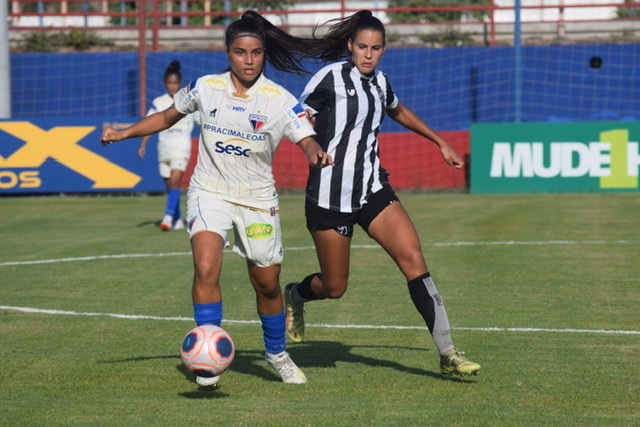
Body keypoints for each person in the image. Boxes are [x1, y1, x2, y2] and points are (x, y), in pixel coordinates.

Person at [101, 11, 333, 386]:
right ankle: (208, 356)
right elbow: (165, 117)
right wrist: (123, 132)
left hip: (257, 198)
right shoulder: (205, 87)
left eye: (256, 52)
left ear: (264, 55)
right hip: (209, 191)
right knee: (206, 266)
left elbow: (305, 137)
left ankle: (276, 353)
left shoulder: (278, 99)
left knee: (267, 284)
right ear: (229, 53)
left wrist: (313, 152)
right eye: (241, 52)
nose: (249, 60)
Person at [284, 10, 481, 377]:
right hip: (330, 196)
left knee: (414, 260)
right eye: (362, 47)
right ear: (349, 45)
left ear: (384, 49)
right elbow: (296, 116)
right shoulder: (330, 78)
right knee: (334, 286)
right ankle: (296, 294)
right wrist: (310, 143)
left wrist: (439, 141)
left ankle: (448, 352)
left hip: (373, 190)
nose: (368, 54)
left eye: (375, 48)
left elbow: (398, 109)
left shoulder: (380, 83)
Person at [137, 60, 196, 231]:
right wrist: (143, 144)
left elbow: (201, 121)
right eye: (170, 83)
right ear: (165, 84)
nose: (172, 86)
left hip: (181, 149)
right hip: (164, 150)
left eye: (175, 83)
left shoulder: (188, 100)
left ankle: (167, 217)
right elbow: (150, 124)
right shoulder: (159, 102)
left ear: (180, 83)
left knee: (176, 181)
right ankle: (178, 219)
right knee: (170, 185)